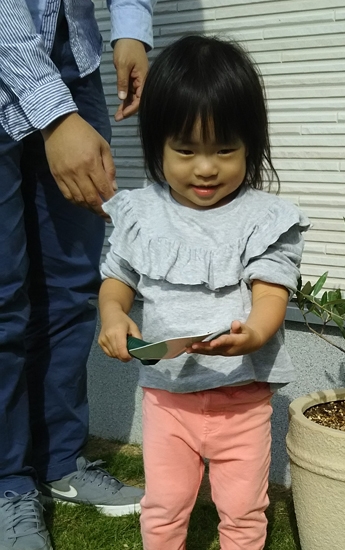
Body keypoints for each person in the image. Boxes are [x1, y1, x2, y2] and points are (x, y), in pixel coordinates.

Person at [97, 35, 310, 550]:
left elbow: (271, 290)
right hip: (167, 399)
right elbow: (117, 277)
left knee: (243, 509)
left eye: (225, 150)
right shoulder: (141, 215)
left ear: (251, 146)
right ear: (157, 147)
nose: (206, 168)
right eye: (186, 150)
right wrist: (112, 315)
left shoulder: (263, 219)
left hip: (242, 400)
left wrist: (256, 332)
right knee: (165, 505)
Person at [0, 1, 154, 549]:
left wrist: (132, 29)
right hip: (7, 48)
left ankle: (61, 461)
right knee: (3, 298)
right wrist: (54, 114)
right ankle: (6, 485)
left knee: (70, 288)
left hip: (75, 55)